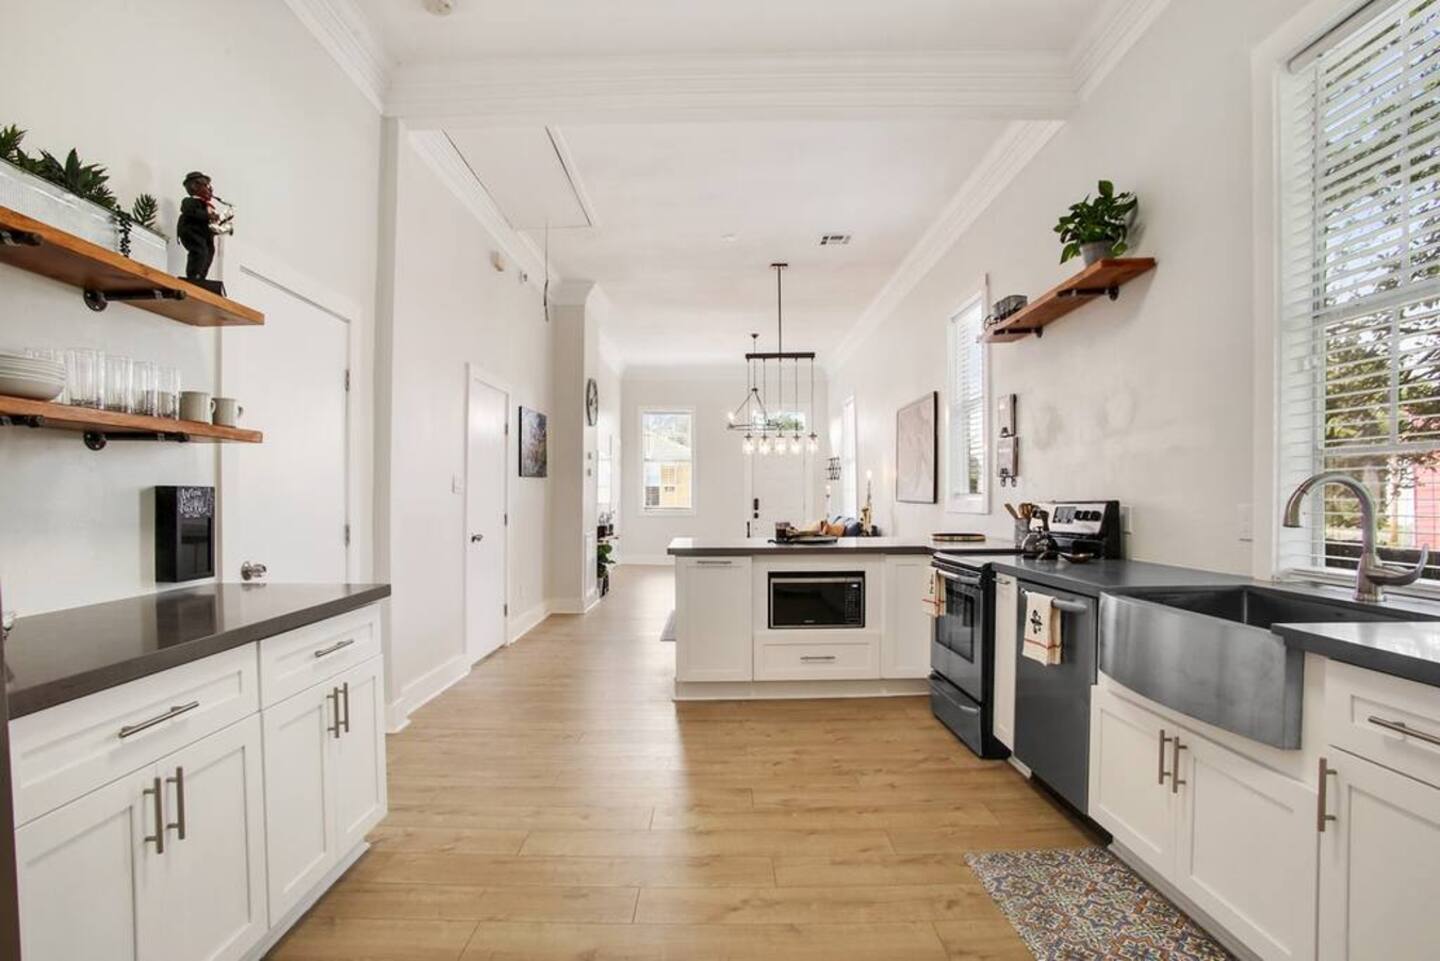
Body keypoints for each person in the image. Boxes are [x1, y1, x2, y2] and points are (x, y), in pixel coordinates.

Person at [177, 171, 218, 282]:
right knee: (199, 251)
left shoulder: (206, 205)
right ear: (194, 186)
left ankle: (201, 276)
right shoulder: (190, 201)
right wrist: (208, 216)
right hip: (192, 231)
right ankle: (193, 275)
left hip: (204, 234)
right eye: (206, 185)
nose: (210, 189)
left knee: (210, 251)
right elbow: (191, 212)